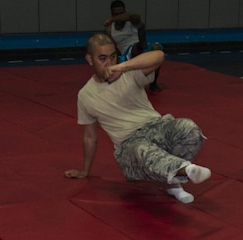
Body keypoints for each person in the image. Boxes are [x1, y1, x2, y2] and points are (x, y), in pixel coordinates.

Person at [66, 33, 211, 203]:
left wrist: (123, 66)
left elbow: (159, 56)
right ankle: (185, 170)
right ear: (90, 60)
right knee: (142, 149)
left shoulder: (128, 73)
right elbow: (90, 136)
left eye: (113, 56)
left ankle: (174, 184)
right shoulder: (85, 95)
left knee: (189, 128)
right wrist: (85, 171)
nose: (109, 63)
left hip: (155, 127)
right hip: (129, 145)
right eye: (102, 58)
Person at [102, 0, 156, 90]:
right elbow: (113, 48)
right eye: (116, 14)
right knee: (135, 47)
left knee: (156, 48)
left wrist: (112, 19)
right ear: (112, 14)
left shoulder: (132, 21)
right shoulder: (110, 29)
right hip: (125, 56)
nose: (120, 17)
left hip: (140, 52)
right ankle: (140, 45)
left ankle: (154, 84)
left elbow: (136, 16)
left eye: (122, 13)